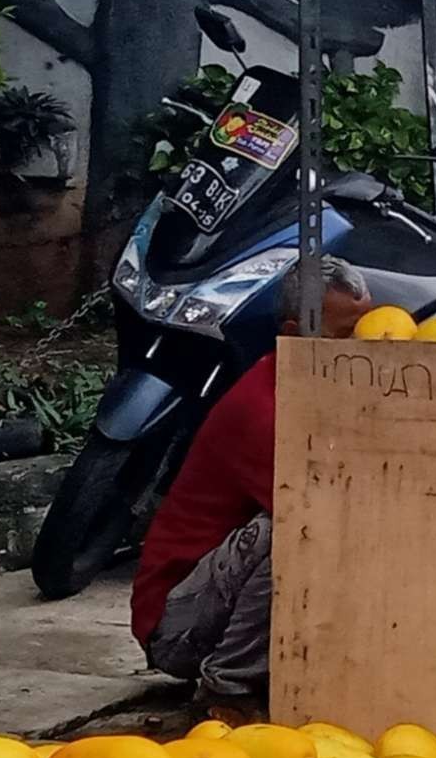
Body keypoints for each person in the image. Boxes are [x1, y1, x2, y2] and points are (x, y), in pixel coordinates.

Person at [128, 257, 372, 710]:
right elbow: (332, 513)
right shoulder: (263, 410)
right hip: (178, 624)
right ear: (296, 333)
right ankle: (228, 687)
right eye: (345, 337)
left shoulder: (324, 390)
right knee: (302, 523)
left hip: (216, 598)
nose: (361, 348)